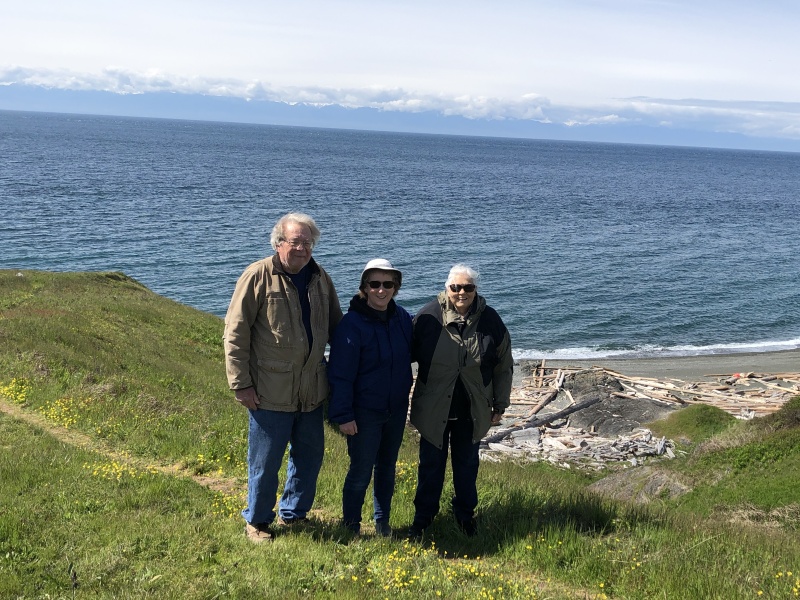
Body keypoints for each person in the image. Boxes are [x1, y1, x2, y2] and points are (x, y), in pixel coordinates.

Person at [223, 212, 342, 543]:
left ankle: (294, 513)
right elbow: (235, 333)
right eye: (296, 241)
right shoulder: (258, 276)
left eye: (308, 242)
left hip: (311, 391)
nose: (303, 248)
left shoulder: (320, 278)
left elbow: (337, 327)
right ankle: (258, 521)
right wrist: (241, 384)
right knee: (265, 462)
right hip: (269, 392)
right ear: (278, 243)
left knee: (309, 458)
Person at [407, 264, 513, 538]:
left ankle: (465, 517)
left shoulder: (491, 320)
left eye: (468, 287)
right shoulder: (427, 317)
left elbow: (503, 365)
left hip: (473, 410)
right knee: (430, 468)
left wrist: (500, 404)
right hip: (434, 409)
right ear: (447, 289)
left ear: (476, 289)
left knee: (467, 468)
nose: (461, 293)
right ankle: (423, 520)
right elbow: (402, 356)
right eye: (456, 287)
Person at [327, 259, 413, 537]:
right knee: (361, 471)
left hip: (396, 409)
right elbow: (340, 373)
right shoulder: (351, 325)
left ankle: (382, 524)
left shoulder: (402, 318)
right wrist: (343, 416)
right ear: (364, 287)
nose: (381, 290)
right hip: (363, 413)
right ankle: (350, 527)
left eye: (388, 284)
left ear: (395, 288)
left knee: (387, 469)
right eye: (374, 284)